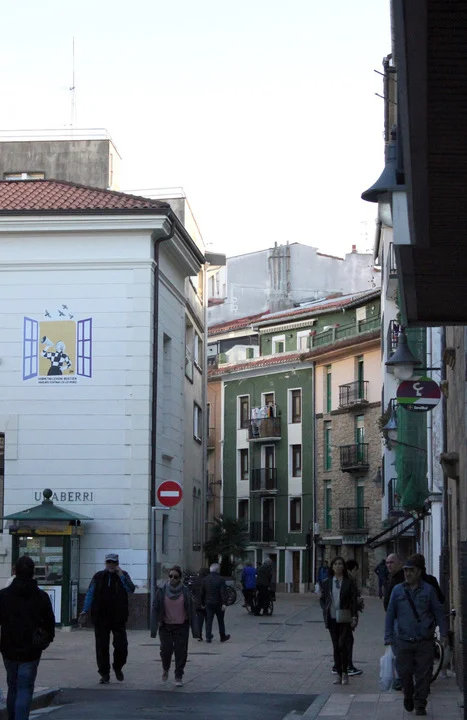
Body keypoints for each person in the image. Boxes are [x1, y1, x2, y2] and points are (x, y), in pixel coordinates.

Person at [385, 555, 448, 717]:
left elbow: (438, 612)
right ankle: (408, 694)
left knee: (424, 675)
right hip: (403, 640)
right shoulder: (397, 590)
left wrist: (444, 633)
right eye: (406, 570)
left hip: (424, 640)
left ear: (419, 572)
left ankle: (420, 703)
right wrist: (388, 636)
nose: (408, 574)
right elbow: (390, 614)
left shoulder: (429, 590)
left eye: (411, 570)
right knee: (404, 673)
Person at [0, 555, 55, 720]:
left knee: (12, 686)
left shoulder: (4, 595)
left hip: (8, 647)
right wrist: (47, 639)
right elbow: (49, 622)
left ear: (15, 571)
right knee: (25, 687)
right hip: (31, 649)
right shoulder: (41, 597)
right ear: (33, 573)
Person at [79, 553, 135, 684]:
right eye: (109, 562)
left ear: (117, 564)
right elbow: (90, 593)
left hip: (118, 617)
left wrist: (121, 576)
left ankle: (118, 666)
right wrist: (85, 610)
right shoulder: (98, 576)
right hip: (100, 616)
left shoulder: (123, 575)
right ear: (105, 563)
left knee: (121, 645)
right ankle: (104, 673)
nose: (111, 565)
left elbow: (130, 589)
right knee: (101, 647)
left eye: (113, 562)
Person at [151, 565, 199, 686]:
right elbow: (155, 607)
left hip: (181, 626)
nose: (172, 578)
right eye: (170, 576)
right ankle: (165, 668)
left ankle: (178, 676)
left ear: (180, 579)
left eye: (175, 577)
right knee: (165, 651)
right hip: (165, 626)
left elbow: (192, 610)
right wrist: (154, 626)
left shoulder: (185, 591)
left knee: (181, 652)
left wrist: (195, 630)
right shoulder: (162, 590)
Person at [320, 556, 358, 686]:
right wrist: (325, 608)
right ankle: (338, 673)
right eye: (335, 564)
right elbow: (323, 598)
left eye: (340, 564)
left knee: (343, 644)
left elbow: (353, 600)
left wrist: (354, 616)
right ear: (332, 567)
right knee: (336, 646)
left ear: (343, 566)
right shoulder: (327, 582)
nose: (337, 566)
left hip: (345, 617)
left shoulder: (349, 582)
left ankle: (345, 672)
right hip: (331, 617)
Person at [343, 559, 364, 676]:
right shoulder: (349, 581)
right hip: (347, 615)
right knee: (348, 640)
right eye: (356, 570)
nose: (357, 573)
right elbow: (350, 600)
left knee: (345, 640)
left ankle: (342, 665)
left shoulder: (345, 580)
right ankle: (348, 666)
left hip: (345, 615)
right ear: (352, 569)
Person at [201, 563, 230, 643]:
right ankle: (222, 636)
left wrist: (202, 603)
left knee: (209, 621)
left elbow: (202, 592)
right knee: (220, 620)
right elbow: (223, 592)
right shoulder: (221, 579)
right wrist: (224, 603)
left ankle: (208, 637)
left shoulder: (205, 579)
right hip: (218, 603)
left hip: (208, 603)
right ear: (217, 570)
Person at [191, 568, 210, 641]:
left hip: (198, 603)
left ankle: (199, 635)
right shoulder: (207, 580)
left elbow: (193, 591)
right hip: (207, 603)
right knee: (208, 620)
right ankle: (208, 635)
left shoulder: (196, 580)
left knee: (199, 620)